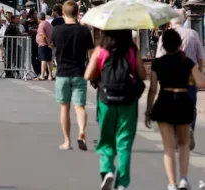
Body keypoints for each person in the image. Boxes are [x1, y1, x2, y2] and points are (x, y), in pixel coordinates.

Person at [85, 29, 145, 190]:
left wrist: (100, 73)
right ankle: (122, 182)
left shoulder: (101, 50)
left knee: (106, 138)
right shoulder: (132, 50)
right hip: (128, 99)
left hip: (106, 98)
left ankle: (107, 170)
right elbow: (143, 74)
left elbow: (88, 75)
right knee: (124, 142)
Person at [147, 29, 205, 190]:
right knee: (184, 143)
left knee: (168, 146)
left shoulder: (157, 63)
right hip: (182, 101)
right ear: (179, 44)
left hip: (164, 101)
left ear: (163, 45)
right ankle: (183, 179)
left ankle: (172, 184)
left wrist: (148, 110)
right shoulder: (186, 62)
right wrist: (190, 78)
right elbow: (201, 83)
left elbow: (152, 89)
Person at [156, 10, 204, 151]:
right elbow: (200, 58)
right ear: (184, 20)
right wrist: (199, 74)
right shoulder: (193, 34)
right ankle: (189, 128)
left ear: (171, 22)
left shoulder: (166, 36)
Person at [52, 0, 94, 151]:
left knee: (64, 107)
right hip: (79, 72)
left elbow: (53, 45)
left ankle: (67, 141)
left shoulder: (56, 30)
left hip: (62, 73)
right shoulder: (84, 31)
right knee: (80, 107)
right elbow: (91, 53)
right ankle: (81, 131)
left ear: (63, 13)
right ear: (77, 13)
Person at [36, 13, 54, 81]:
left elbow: (43, 36)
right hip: (49, 44)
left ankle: (42, 75)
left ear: (38, 18)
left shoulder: (41, 25)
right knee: (49, 60)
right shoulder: (49, 24)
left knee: (43, 60)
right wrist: (51, 42)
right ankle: (50, 75)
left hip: (44, 44)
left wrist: (47, 43)